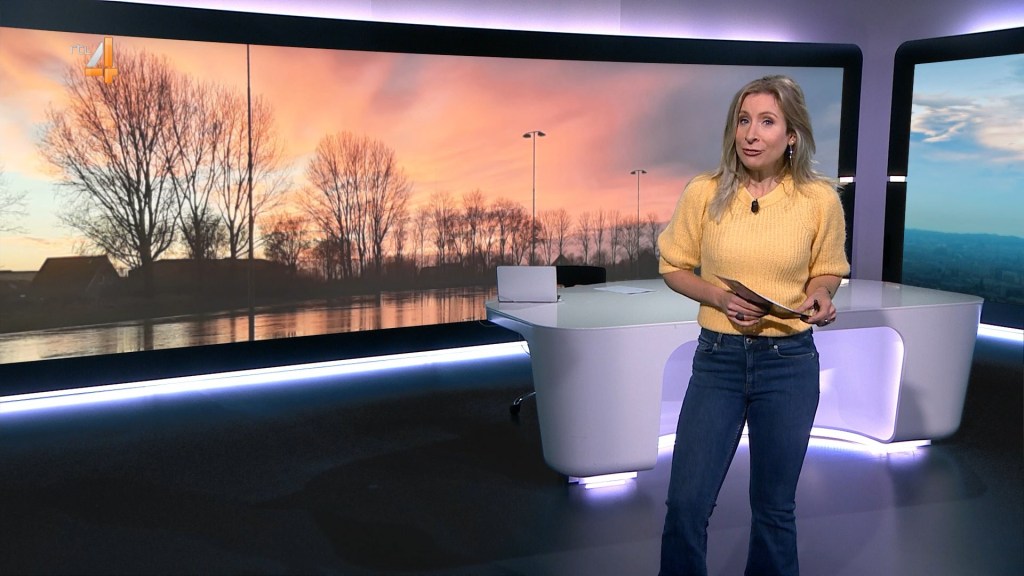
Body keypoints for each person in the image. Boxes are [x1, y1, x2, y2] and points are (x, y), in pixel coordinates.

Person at [657, 75, 849, 576]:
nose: (751, 133)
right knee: (686, 504)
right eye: (744, 120)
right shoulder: (704, 192)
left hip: (789, 364)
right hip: (718, 360)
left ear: (792, 135)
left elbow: (828, 268)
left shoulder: (818, 200)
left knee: (774, 510)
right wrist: (720, 297)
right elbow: (673, 266)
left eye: (767, 121)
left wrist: (821, 294)